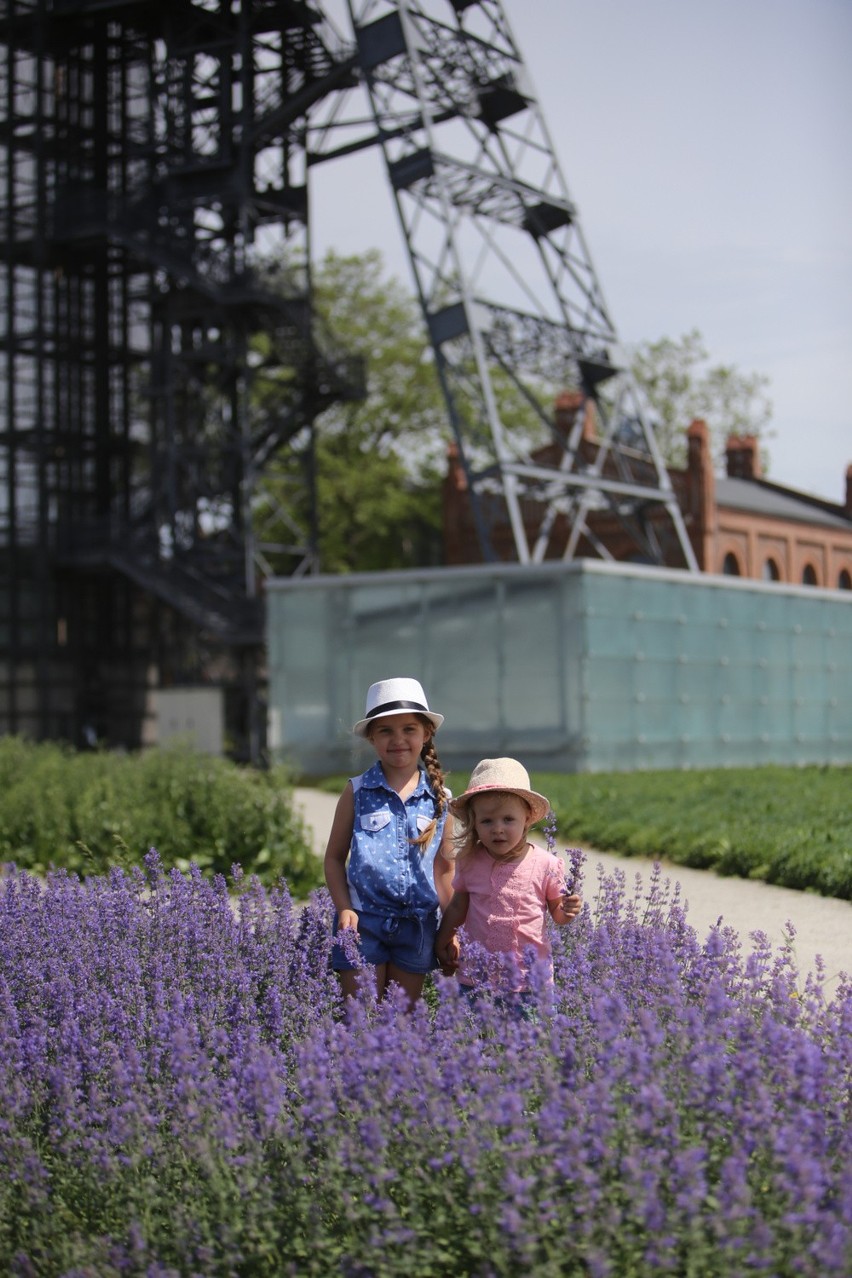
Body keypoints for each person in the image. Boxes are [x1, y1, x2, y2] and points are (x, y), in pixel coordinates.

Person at [324, 677, 455, 1007]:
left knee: (400, 1023)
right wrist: (343, 907)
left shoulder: (441, 800)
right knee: (360, 1021)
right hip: (363, 922)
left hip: (418, 927)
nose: (398, 740)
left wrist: (452, 931)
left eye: (409, 729)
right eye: (385, 731)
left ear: (426, 735)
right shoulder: (356, 791)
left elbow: (444, 871)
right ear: (372, 737)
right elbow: (334, 858)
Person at [435, 757, 581, 1005]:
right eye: (487, 821)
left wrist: (568, 910)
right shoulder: (470, 861)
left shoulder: (546, 864)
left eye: (508, 820)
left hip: (529, 983)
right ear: (474, 823)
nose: (498, 829)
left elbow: (557, 912)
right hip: (477, 978)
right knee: (479, 1039)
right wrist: (443, 939)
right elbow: (459, 907)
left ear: (526, 818)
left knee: (533, 1041)